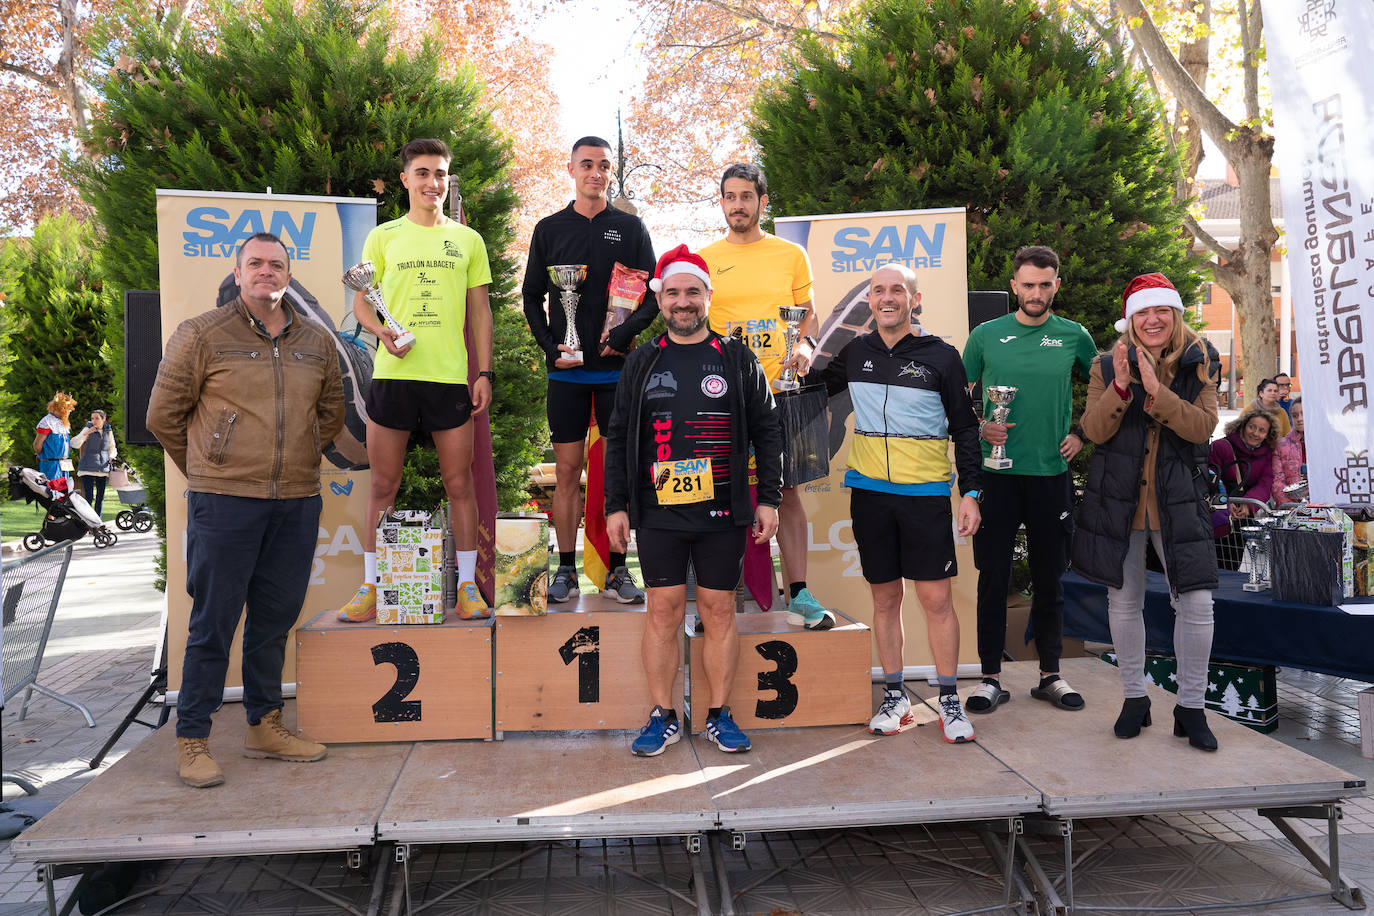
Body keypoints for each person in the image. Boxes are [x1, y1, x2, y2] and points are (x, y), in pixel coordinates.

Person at [146, 232, 345, 788]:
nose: (265, 272)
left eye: (276, 264)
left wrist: (296, 462)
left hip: (297, 502)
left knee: (273, 621)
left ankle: (264, 725)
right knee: (212, 623)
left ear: (289, 274)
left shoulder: (316, 342)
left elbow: (329, 416)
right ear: (237, 273)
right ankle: (192, 739)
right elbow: (163, 416)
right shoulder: (201, 334)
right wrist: (214, 470)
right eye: (255, 263)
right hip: (224, 503)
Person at [604, 245, 782, 756]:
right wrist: (617, 504)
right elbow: (619, 437)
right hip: (658, 511)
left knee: (719, 609)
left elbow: (768, 432)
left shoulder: (736, 357)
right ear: (660, 300)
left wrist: (767, 497)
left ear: (708, 296)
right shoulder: (642, 360)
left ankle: (718, 715)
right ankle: (664, 715)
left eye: (693, 292)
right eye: (674, 293)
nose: (684, 302)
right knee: (661, 610)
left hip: (723, 509)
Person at [820, 263, 983, 742]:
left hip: (926, 493)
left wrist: (970, 492)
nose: (887, 298)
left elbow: (966, 428)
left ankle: (949, 700)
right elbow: (811, 391)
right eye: (878, 291)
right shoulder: (855, 352)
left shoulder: (942, 356)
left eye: (897, 290)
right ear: (869, 301)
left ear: (914, 300)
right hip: (870, 493)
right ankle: (896, 698)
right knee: (884, 598)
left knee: (935, 599)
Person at [338, 138, 494, 623]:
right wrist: (381, 330)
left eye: (441, 174)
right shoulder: (384, 236)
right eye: (423, 173)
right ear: (405, 179)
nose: (433, 183)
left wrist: (483, 371)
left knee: (459, 484)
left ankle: (467, 586)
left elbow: (481, 312)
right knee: (383, 484)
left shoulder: (468, 240)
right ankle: (369, 585)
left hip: (449, 378)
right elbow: (364, 299)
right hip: (393, 376)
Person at [1071, 273, 1220, 751]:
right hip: (1120, 501)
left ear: (1173, 315)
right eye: (1142, 313)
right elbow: (1093, 431)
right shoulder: (1104, 363)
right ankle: (1135, 699)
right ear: (1131, 320)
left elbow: (1202, 430)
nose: (1151, 320)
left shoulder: (1202, 360)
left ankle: (1191, 707)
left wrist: (1157, 390)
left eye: (1160, 312)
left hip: (1180, 503)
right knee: (1123, 603)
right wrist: (1120, 385)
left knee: (1196, 605)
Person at [523, 136, 660, 605]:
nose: (596, 173)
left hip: (616, 375)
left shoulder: (631, 227)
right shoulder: (549, 229)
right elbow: (530, 298)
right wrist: (549, 349)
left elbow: (655, 294)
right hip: (567, 375)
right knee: (566, 471)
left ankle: (618, 571)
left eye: (604, 165)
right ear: (572, 170)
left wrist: (624, 336)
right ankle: (565, 569)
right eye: (587, 165)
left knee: (615, 473)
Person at [961, 245, 1096, 715]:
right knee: (993, 577)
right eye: (1028, 284)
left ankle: (1050, 675)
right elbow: (960, 402)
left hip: (1050, 475)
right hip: (996, 477)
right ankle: (989, 679)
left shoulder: (1075, 336)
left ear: (1056, 284)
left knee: (1050, 578)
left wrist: (1082, 432)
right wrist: (981, 426)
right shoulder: (986, 335)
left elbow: (1103, 391)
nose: (1036, 293)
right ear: (1014, 286)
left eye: (1045, 284)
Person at [700, 164, 834, 629]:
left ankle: (799, 593)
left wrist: (803, 345)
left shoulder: (791, 254)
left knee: (788, 492)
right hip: (722, 395)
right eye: (730, 196)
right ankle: (713, 599)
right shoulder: (704, 259)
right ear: (721, 202)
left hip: (782, 392)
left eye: (746, 196)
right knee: (717, 490)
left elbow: (810, 317)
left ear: (762, 201)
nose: (738, 204)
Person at [1208, 405, 1281, 569]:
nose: (1255, 433)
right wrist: (1227, 503)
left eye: (1262, 430)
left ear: (1268, 434)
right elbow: (1211, 475)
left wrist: (1248, 505)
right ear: (1242, 425)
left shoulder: (1268, 454)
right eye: (1252, 427)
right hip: (1219, 511)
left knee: (1233, 562)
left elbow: (1265, 482)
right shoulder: (1221, 446)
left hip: (1244, 514)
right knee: (1214, 561)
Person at [72, 409, 117, 514]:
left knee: (100, 498)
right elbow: (74, 443)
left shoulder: (108, 430)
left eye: (97, 418)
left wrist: (112, 456)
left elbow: (112, 447)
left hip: (103, 468)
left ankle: (97, 523)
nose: (94, 421)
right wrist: (86, 433)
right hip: (87, 468)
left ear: (103, 419)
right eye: (92, 418)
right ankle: (87, 523)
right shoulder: (87, 428)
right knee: (88, 497)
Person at [34, 392, 77, 483]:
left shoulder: (62, 423)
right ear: (62, 409)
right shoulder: (47, 422)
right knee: (53, 489)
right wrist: (43, 456)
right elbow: (37, 445)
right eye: (68, 410)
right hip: (51, 465)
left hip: (64, 464)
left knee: (64, 490)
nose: (69, 412)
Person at [1274, 394, 1305, 504]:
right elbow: (1277, 482)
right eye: (1295, 415)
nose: (1299, 419)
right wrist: (1292, 509)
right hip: (1292, 509)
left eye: (1303, 413)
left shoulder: (1326, 444)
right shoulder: (1282, 445)